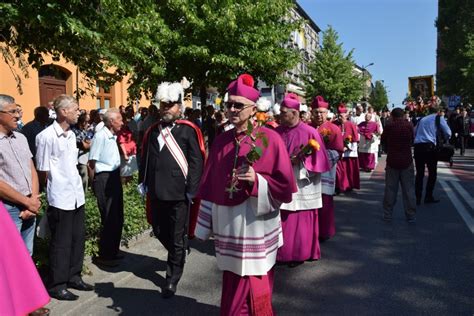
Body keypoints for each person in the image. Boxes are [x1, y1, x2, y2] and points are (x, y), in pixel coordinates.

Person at [194, 74, 296, 315]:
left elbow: (283, 185)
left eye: (238, 105)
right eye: (228, 104)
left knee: (254, 277)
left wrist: (257, 181)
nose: (231, 109)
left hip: (255, 221)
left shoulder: (270, 139)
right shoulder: (221, 141)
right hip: (228, 222)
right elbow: (209, 182)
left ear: (252, 109)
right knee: (232, 275)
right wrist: (202, 225)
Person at [139, 80, 205, 299]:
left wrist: (192, 189)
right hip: (157, 190)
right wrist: (143, 181)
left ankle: (171, 278)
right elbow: (146, 158)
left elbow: (196, 161)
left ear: (179, 107)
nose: (166, 108)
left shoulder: (188, 130)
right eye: (163, 104)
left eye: (170, 105)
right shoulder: (152, 130)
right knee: (158, 229)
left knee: (177, 237)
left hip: (179, 192)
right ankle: (179, 253)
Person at [36, 94, 93, 301]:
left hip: (76, 194)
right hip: (59, 196)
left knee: (78, 238)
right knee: (61, 242)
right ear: (63, 112)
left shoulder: (71, 135)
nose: (79, 112)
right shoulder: (46, 137)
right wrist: (45, 194)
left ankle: (73, 276)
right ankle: (57, 284)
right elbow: (42, 170)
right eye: (75, 109)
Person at [275, 93, 330, 266]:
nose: (279, 116)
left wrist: (300, 161)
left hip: (302, 183)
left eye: (283, 113)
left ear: (294, 113)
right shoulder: (276, 132)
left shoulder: (310, 132)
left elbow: (321, 162)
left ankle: (299, 253)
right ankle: (280, 253)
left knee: (299, 220)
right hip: (281, 182)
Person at [0, 94, 41, 256]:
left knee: (27, 255)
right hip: (8, 208)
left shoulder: (21, 138)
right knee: (10, 259)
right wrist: (27, 202)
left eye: (18, 110)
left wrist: (34, 199)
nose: (18, 115)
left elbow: (32, 169)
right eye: (13, 111)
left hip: (30, 203)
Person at [88, 108, 125, 267]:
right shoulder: (100, 136)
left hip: (114, 177)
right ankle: (105, 255)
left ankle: (113, 251)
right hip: (103, 178)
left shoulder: (112, 136)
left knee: (117, 216)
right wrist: (95, 184)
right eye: (120, 120)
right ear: (111, 122)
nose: (122, 122)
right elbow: (92, 162)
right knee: (109, 217)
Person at [310, 96, 344, 241]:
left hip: (325, 171)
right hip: (308, 172)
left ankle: (324, 231)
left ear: (327, 112)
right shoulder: (306, 126)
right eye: (316, 112)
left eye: (322, 112)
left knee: (325, 202)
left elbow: (338, 151)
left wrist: (320, 159)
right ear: (312, 112)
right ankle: (311, 232)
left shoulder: (333, 128)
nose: (319, 115)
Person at [381, 108, 416, 222]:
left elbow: (383, 140)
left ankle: (388, 214)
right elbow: (412, 139)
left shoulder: (389, 126)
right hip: (406, 160)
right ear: (403, 115)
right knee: (409, 189)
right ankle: (410, 214)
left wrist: (388, 150)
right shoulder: (409, 125)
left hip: (392, 160)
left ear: (392, 116)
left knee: (390, 189)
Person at [413, 106, 451, 205]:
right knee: (432, 173)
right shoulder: (439, 118)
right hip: (430, 147)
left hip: (418, 147)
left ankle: (417, 197)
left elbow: (414, 132)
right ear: (438, 111)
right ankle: (428, 196)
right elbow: (448, 132)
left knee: (419, 173)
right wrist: (444, 140)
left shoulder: (421, 119)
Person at [335, 103, 360, 192]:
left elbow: (355, 138)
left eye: (342, 116)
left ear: (346, 116)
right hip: (338, 151)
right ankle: (340, 185)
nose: (340, 118)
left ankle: (349, 185)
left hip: (349, 151)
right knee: (339, 170)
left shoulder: (351, 125)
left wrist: (347, 147)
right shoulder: (335, 124)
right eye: (339, 116)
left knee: (349, 169)